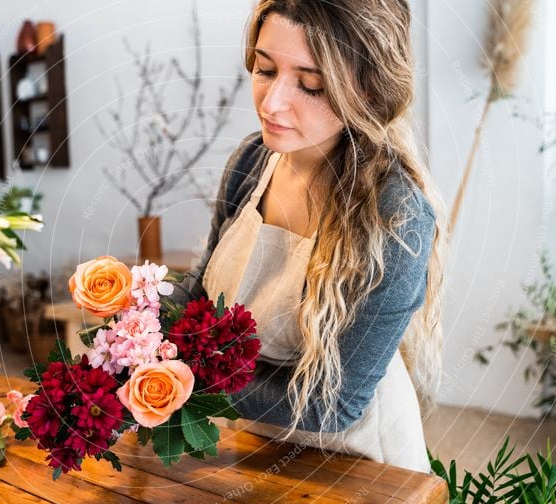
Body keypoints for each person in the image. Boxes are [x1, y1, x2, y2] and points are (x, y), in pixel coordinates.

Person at [172, 0, 447, 473]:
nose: (272, 102)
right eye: (264, 68)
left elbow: (332, 405)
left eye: (310, 84)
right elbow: (200, 296)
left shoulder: (396, 216)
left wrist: (191, 378)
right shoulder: (252, 161)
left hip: (356, 466)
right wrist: (135, 313)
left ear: (367, 90)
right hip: (258, 446)